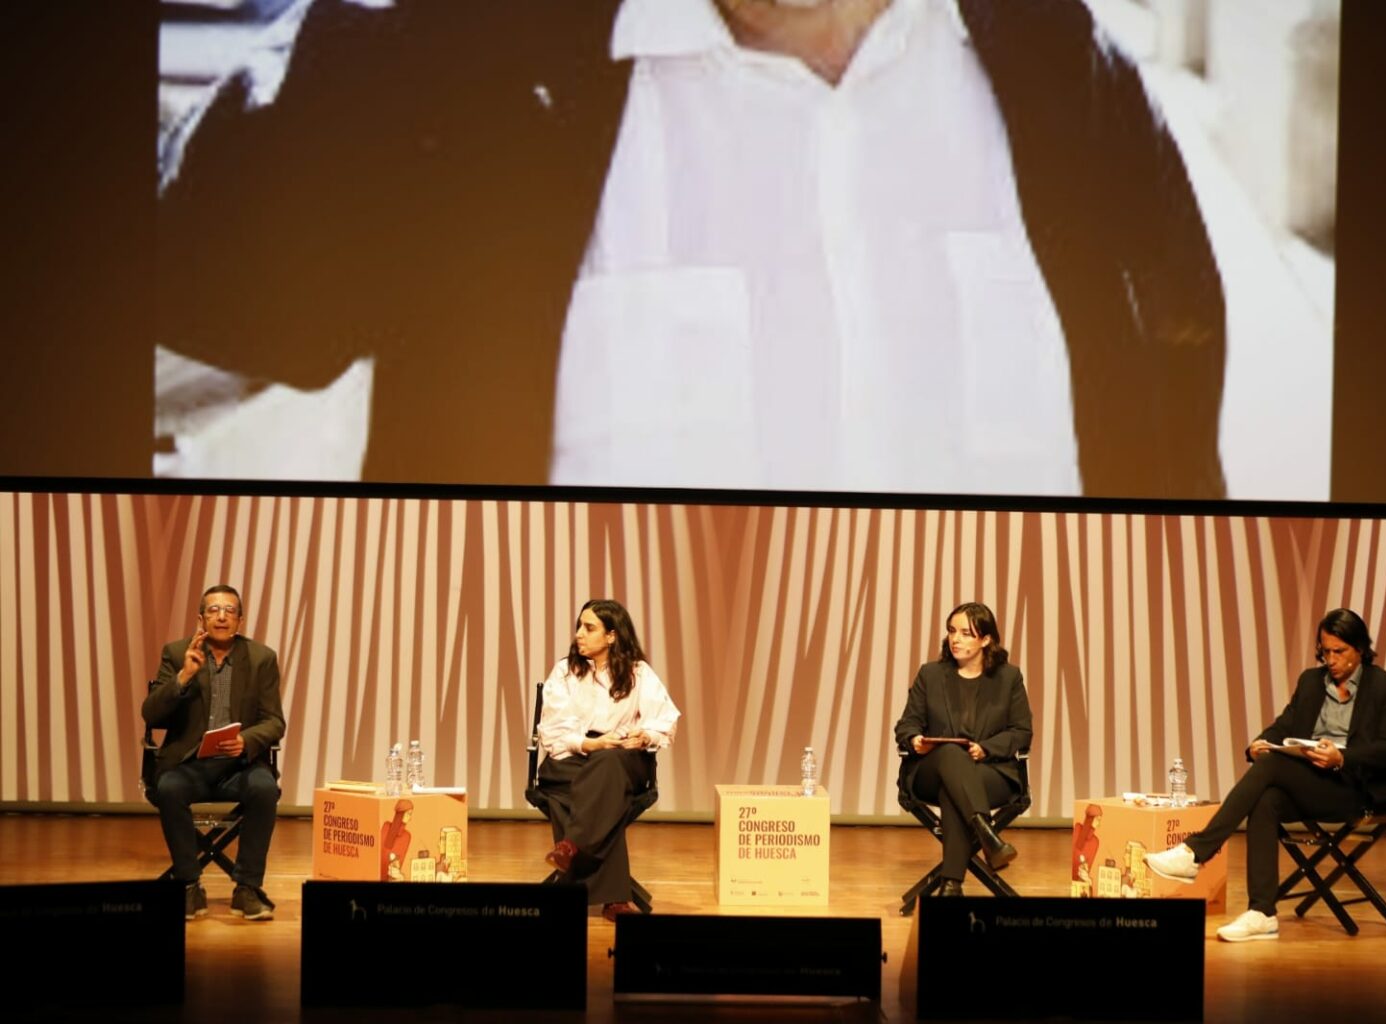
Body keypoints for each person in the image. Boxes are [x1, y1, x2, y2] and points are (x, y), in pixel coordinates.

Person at [157, 0, 1225, 498]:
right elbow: (173, 297)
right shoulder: (460, 62)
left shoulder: (1068, 74)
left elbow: (1176, 513)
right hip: (584, 845)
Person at [1145, 608, 1386, 941]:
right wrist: (1260, 743)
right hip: (1314, 782)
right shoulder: (1311, 682)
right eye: (1325, 651)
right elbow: (1285, 724)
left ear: (1359, 648)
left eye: (1339, 651)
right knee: (1266, 798)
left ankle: (1195, 853)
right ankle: (1262, 913)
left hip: (1355, 787)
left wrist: (1341, 757)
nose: (1330, 660)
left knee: (1271, 768)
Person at [142, 584, 286, 921]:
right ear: (201, 619)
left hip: (240, 765)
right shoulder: (177, 653)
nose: (221, 617)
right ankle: (189, 884)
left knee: (265, 789)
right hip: (189, 765)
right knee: (169, 788)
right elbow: (151, 715)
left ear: (240, 620)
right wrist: (184, 677)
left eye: (229, 611)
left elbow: (274, 721)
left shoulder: (261, 658)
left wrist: (247, 740)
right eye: (213, 610)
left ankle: (247, 888)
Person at [536, 599, 681, 920]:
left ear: (612, 636)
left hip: (621, 759)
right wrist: (591, 744)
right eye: (579, 626)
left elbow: (665, 719)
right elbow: (554, 729)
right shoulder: (565, 671)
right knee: (603, 797)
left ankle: (571, 846)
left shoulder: (638, 672)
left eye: (589, 628)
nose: (579, 634)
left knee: (608, 766)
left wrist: (644, 736)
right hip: (573, 756)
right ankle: (614, 898)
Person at [894, 601, 1032, 896]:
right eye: (951, 631)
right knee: (950, 754)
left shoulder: (1009, 678)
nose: (955, 639)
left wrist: (987, 748)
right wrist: (914, 739)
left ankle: (951, 885)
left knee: (954, 791)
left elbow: (1021, 732)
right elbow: (907, 724)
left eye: (965, 633)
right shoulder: (930, 674)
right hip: (930, 772)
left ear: (986, 639)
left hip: (990, 772)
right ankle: (986, 834)